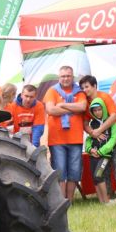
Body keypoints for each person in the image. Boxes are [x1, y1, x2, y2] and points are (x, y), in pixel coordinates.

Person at [81, 75, 116, 203]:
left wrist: (99, 130)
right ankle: (107, 199)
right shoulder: (86, 102)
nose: (85, 90)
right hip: (100, 143)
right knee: (104, 170)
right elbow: (85, 123)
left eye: (87, 86)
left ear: (94, 86)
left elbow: (114, 116)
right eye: (82, 87)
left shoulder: (105, 96)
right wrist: (92, 133)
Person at [43, 65, 87, 201]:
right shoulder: (52, 91)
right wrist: (73, 109)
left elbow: (83, 107)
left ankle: (70, 201)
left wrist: (61, 105)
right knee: (60, 172)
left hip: (76, 138)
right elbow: (51, 110)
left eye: (68, 76)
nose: (66, 78)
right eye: (63, 76)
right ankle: (61, 202)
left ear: (72, 77)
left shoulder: (79, 92)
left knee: (74, 171)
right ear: (59, 77)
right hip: (57, 139)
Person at [84, 97, 116, 204]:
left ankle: (107, 201)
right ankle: (101, 202)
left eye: (99, 109)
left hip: (105, 155)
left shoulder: (111, 122)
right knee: (95, 179)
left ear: (103, 108)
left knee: (98, 175)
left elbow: (113, 139)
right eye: (95, 110)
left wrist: (101, 151)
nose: (97, 112)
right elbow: (89, 139)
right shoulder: (92, 123)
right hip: (93, 155)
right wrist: (89, 149)